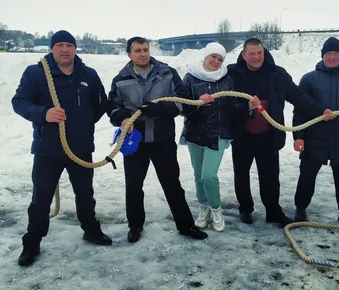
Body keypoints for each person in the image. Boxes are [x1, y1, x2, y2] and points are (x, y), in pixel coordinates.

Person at [12, 30, 112, 267]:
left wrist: (85, 121)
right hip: (48, 148)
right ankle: (32, 242)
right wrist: (43, 114)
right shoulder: (36, 73)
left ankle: (90, 229)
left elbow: (100, 103)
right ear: (52, 48)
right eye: (59, 45)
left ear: (75, 48)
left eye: (69, 45)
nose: (65, 50)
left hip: (80, 147)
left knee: (85, 194)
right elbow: (19, 102)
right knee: (41, 198)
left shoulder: (89, 74)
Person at [107, 36, 208, 243]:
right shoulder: (120, 79)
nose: (142, 53)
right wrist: (123, 117)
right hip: (135, 141)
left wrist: (161, 109)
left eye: (145, 49)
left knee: (172, 184)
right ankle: (135, 226)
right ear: (129, 54)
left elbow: (183, 103)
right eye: (137, 50)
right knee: (133, 186)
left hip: (162, 139)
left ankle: (186, 225)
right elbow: (112, 107)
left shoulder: (167, 73)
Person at [227, 38, 336, 227]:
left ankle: (273, 211)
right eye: (251, 53)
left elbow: (298, 96)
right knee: (241, 174)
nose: (256, 57)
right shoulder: (233, 74)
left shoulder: (277, 74)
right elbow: (227, 104)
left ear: (264, 52)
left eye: (259, 52)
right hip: (242, 135)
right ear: (243, 55)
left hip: (269, 135)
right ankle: (245, 208)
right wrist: (246, 106)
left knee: (270, 176)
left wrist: (321, 110)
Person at [292, 37, 339, 229]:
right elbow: (300, 110)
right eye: (329, 53)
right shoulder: (309, 79)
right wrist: (299, 136)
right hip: (314, 137)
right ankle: (300, 208)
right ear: (323, 55)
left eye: (336, 53)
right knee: (307, 176)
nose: (332, 57)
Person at [178, 42, 246, 231]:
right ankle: (203, 207)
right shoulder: (190, 78)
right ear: (205, 56)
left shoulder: (227, 78)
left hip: (218, 134)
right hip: (195, 133)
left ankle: (216, 208)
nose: (216, 61)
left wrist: (247, 107)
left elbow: (233, 105)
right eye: (213, 57)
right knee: (198, 176)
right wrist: (197, 103)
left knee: (209, 176)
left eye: (220, 58)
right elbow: (182, 107)